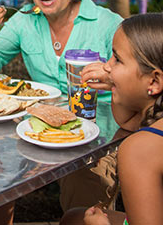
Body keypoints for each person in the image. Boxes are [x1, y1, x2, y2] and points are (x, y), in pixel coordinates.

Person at [0, 0, 123, 224]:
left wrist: (112, 78)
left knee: (83, 200)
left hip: (97, 137)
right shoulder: (25, 20)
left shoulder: (107, 23)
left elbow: (141, 82)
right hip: (38, 128)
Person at [60, 13, 163, 225]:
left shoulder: (138, 150)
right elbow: (127, 122)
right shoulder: (153, 121)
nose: (106, 66)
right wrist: (117, 82)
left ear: (153, 81)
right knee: (73, 218)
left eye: (117, 59)